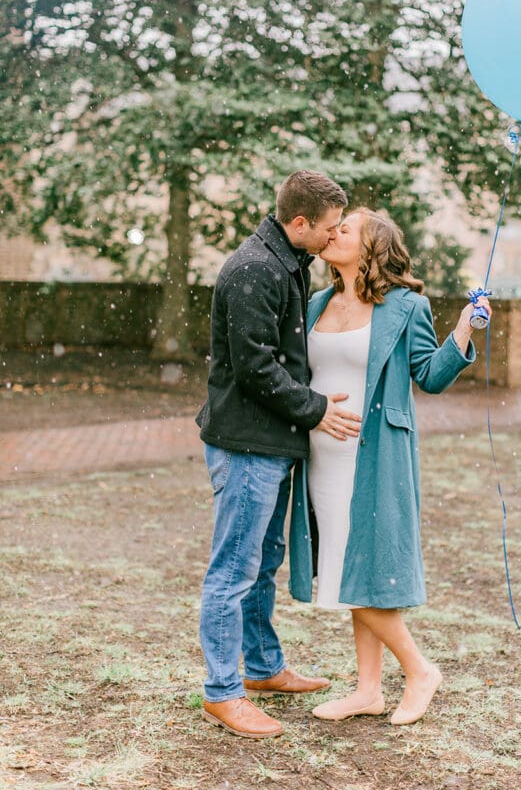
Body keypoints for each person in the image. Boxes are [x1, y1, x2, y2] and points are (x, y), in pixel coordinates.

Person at [288, 208, 491, 726]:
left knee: (369, 570)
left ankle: (420, 670)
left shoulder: (406, 306)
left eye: (345, 230)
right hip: (321, 457)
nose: (333, 235)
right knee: (349, 568)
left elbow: (431, 375)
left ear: (372, 246)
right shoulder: (315, 303)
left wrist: (464, 328)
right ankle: (368, 690)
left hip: (375, 454)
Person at [196, 171, 363, 740]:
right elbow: (256, 367)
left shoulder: (289, 262)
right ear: (299, 223)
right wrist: (317, 409)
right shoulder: (254, 270)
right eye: (328, 228)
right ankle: (223, 692)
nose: (332, 236)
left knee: (262, 563)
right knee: (233, 571)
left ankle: (264, 669)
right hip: (245, 445)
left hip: (271, 443)